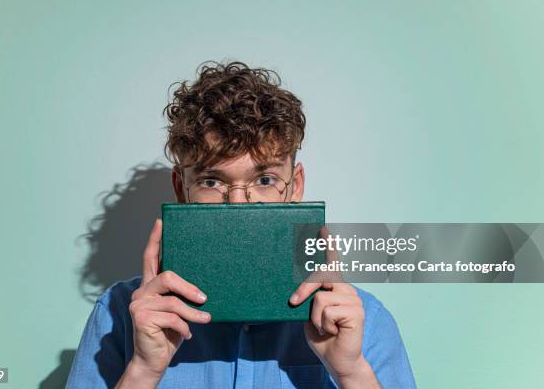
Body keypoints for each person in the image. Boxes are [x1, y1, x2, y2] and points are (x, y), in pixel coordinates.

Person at [66, 61, 416, 388]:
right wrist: (143, 370)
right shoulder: (118, 313)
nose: (236, 203)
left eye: (264, 180)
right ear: (181, 189)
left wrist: (352, 372)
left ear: (294, 187)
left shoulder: (362, 318)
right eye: (211, 181)